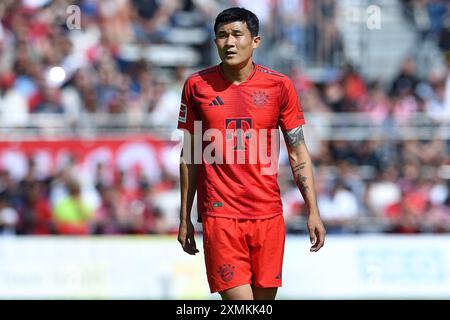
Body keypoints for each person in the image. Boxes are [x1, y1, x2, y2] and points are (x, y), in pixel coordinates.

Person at [177, 7, 326, 300]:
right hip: (220, 216)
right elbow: (190, 155)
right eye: (221, 36)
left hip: (268, 215)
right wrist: (185, 217)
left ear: (255, 41)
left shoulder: (280, 86)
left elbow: (298, 152)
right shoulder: (197, 86)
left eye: (236, 35)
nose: (229, 42)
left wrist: (313, 210)